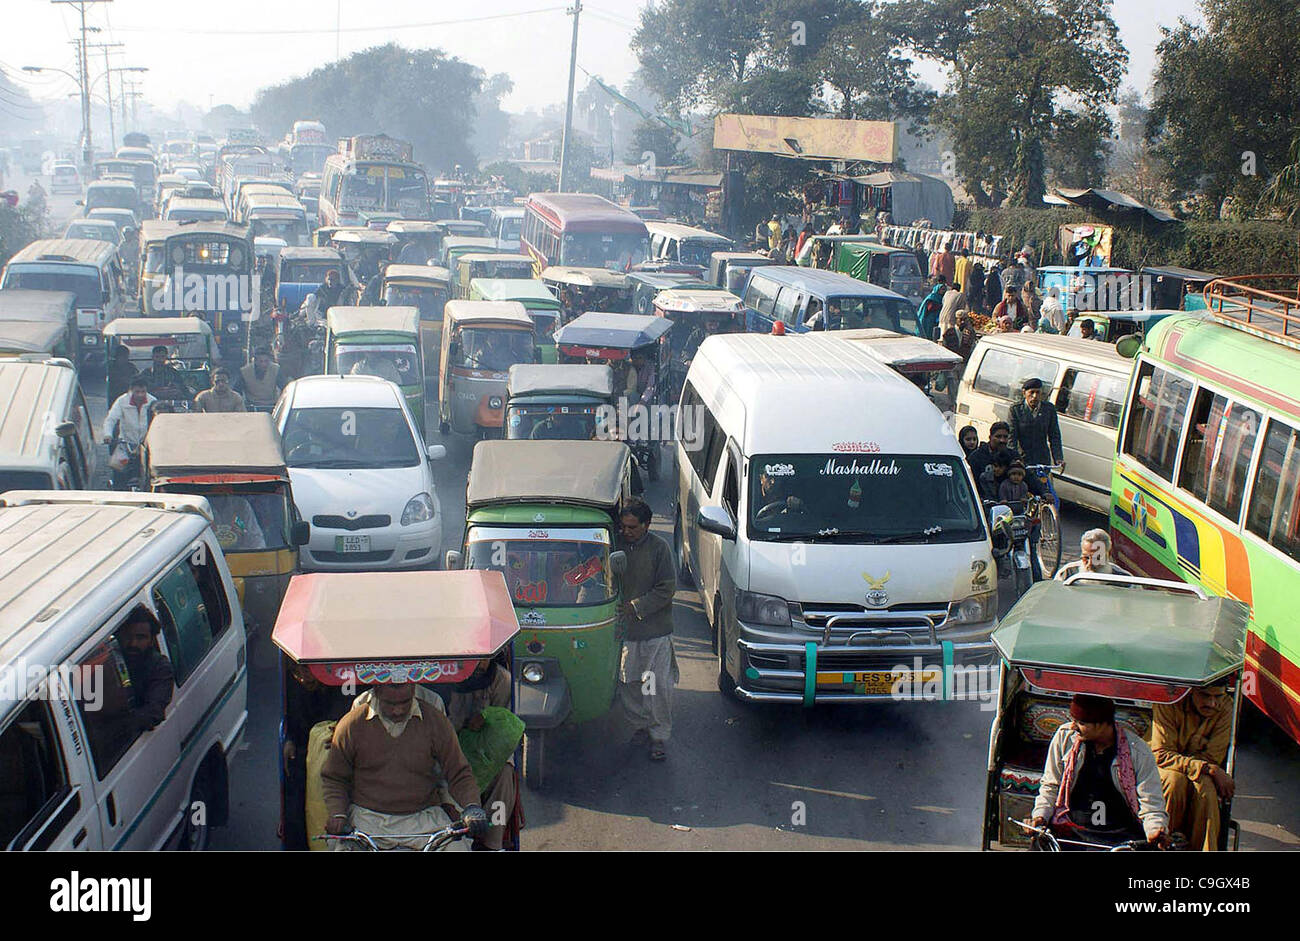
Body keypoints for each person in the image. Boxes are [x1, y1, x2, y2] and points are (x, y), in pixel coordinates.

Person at [320, 682, 488, 851]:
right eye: (391, 704)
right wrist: (338, 814)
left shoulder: (435, 720)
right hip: (367, 820)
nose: (398, 710)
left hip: (424, 820)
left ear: (414, 691)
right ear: (376, 692)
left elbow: (459, 773)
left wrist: (472, 807)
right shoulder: (352, 724)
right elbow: (334, 777)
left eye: (405, 702)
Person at [1031, 694, 1170, 848]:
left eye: (1081, 722)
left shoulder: (1138, 751)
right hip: (1071, 831)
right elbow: (1050, 786)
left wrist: (1155, 830)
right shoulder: (1065, 738)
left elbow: (1151, 804)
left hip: (1120, 837)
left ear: (1103, 723)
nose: (1073, 726)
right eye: (1074, 720)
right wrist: (1040, 817)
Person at [616, 499, 678, 761]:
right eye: (624, 526)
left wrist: (636, 606)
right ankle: (640, 727)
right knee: (629, 684)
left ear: (647, 525)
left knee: (657, 687)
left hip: (655, 632)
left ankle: (658, 736)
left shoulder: (659, 549)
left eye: (632, 527)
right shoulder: (616, 546)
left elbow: (667, 588)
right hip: (627, 633)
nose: (627, 531)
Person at [441, 659, 519, 850]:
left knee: (505, 770)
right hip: (446, 749)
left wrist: (486, 719)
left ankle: (492, 842)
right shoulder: (442, 674)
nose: (479, 665)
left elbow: (504, 726)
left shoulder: (502, 680)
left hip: (483, 750)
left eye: (484, 659)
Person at [1150, 682, 1235, 851]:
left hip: (1196, 767)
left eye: (1217, 696)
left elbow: (1213, 756)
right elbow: (1161, 754)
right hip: (1164, 767)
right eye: (1205, 696)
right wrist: (1206, 768)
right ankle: (1161, 843)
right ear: (1191, 692)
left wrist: (1204, 768)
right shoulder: (1169, 702)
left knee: (1205, 788)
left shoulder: (1225, 706)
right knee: (1174, 781)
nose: (1212, 703)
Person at [117, 612, 174, 732]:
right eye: (128, 636)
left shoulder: (160, 668)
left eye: (140, 637)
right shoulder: (111, 658)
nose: (133, 643)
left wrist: (117, 727)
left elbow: (154, 712)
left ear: (152, 640)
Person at [102, 376, 156, 489]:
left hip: (145, 445)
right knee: (118, 470)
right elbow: (111, 419)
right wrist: (108, 435)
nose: (141, 395)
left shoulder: (152, 401)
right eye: (137, 392)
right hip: (125, 443)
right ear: (131, 391)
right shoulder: (122, 401)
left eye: (143, 392)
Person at [1008, 377, 1064, 470]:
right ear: (1024, 393)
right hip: (1022, 460)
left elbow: (1054, 436)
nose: (1035, 396)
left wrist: (1058, 458)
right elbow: (1011, 437)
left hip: (1042, 460)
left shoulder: (1049, 409)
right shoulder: (1015, 409)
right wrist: (1015, 458)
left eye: (1038, 392)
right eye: (1031, 392)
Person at [1056, 528, 1130, 580]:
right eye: (1086, 558)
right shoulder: (1067, 573)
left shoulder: (1125, 580)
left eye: (1097, 558)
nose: (1090, 565)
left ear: (1109, 554)